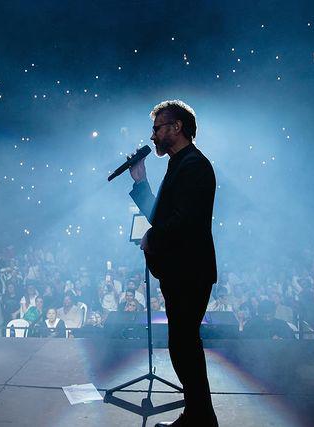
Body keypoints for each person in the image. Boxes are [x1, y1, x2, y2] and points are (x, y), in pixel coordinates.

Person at [129, 100, 218, 426]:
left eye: (157, 128)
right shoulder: (180, 163)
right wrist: (140, 182)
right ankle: (198, 417)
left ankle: (201, 420)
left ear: (176, 127)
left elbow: (185, 221)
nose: (152, 136)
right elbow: (163, 215)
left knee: (184, 347)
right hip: (181, 271)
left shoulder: (194, 165)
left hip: (190, 271)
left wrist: (154, 237)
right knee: (183, 346)